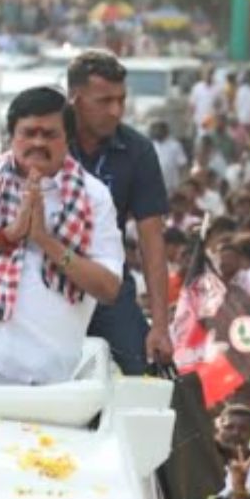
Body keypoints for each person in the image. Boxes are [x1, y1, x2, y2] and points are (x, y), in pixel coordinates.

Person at [0, 87, 123, 385]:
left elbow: (109, 288)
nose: (38, 142)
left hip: (46, 373)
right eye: (29, 132)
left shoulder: (94, 196)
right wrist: (5, 237)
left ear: (68, 140)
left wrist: (45, 241)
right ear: (11, 136)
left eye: (49, 134)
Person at [66, 51, 174, 374]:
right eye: (104, 101)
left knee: (138, 371)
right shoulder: (48, 140)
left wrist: (160, 326)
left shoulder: (137, 151)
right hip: (48, 281)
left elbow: (152, 241)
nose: (116, 111)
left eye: (121, 100)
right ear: (75, 99)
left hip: (108, 284)